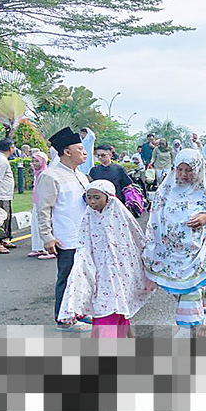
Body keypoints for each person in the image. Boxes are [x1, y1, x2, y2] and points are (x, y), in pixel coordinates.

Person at [142, 149, 206, 337]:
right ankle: (203, 318)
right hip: (171, 255)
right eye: (180, 170)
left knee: (191, 292)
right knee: (181, 292)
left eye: (189, 170)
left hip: (198, 254)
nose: (183, 174)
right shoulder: (165, 190)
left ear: (199, 169)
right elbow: (155, 220)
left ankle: (186, 334)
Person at [57, 180, 155, 338]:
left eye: (97, 197)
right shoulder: (88, 217)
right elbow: (83, 244)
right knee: (105, 308)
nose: (92, 201)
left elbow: (137, 239)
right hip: (99, 273)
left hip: (121, 272)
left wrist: (148, 269)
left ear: (109, 197)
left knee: (118, 306)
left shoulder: (120, 215)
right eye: (89, 197)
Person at [37, 127, 91, 332]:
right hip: (65, 237)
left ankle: (79, 312)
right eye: (80, 149)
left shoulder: (82, 176)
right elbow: (43, 209)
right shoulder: (51, 176)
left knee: (84, 277)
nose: (84, 152)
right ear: (67, 152)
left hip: (85, 237)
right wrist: (47, 237)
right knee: (67, 278)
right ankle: (63, 319)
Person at [27, 152, 54, 260]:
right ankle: (38, 248)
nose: (34, 163)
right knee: (35, 225)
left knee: (44, 225)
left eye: (37, 161)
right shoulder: (37, 173)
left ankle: (49, 249)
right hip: (36, 202)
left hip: (44, 203)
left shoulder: (46, 174)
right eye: (33, 161)